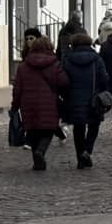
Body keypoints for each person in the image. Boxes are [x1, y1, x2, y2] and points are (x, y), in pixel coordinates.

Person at [10, 34, 69, 173]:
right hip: (49, 102)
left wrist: (14, 106)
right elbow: (64, 82)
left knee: (33, 130)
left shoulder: (23, 66)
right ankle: (40, 152)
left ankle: (37, 161)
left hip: (28, 103)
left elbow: (17, 89)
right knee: (48, 130)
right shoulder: (54, 64)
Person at [58, 30, 109, 169]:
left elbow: (62, 80)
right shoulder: (96, 59)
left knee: (78, 128)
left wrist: (65, 95)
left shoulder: (67, 59)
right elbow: (104, 79)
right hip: (94, 98)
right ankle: (87, 150)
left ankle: (80, 157)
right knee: (94, 124)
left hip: (73, 99)